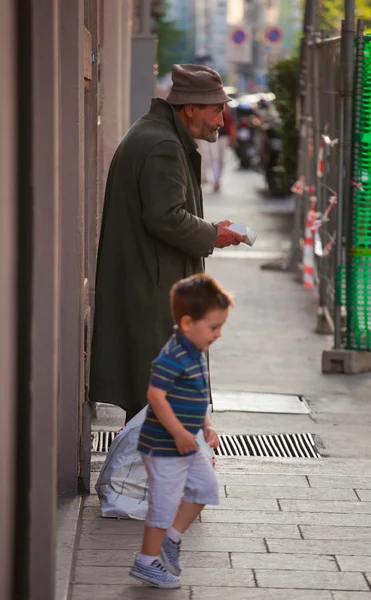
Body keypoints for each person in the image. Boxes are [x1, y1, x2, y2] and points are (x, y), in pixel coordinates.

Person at [89, 64, 244, 422]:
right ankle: (143, 476)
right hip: (153, 293)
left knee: (151, 405)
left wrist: (209, 229)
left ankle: (145, 475)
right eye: (216, 110)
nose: (221, 119)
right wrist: (211, 235)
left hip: (148, 283)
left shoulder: (154, 134)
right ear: (190, 108)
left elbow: (165, 212)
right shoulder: (163, 145)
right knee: (159, 405)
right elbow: (165, 217)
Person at [130, 273, 233, 588]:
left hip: (186, 445)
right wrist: (176, 432)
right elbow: (155, 396)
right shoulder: (172, 356)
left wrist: (207, 425)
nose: (218, 334)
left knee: (205, 488)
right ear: (187, 323)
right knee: (162, 507)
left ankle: (171, 539)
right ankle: (146, 563)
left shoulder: (195, 351)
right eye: (213, 327)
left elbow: (197, 396)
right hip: (164, 448)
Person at [209, 103, 236, 192]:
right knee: (215, 158)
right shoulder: (211, 107)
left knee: (222, 159)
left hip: (224, 136)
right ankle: (216, 180)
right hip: (214, 135)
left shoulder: (227, 108)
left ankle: (218, 179)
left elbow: (231, 122)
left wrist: (232, 135)